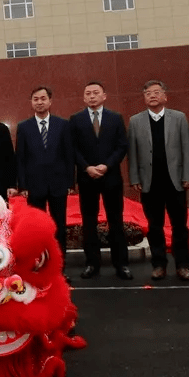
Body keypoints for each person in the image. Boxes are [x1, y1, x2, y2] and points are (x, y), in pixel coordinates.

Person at [127, 80, 189, 281]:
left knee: (180, 226)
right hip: (150, 183)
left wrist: (188, 175)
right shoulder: (135, 121)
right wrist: (134, 178)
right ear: (144, 97)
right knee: (154, 226)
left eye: (156, 92)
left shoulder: (179, 118)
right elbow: (133, 153)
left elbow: (187, 148)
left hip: (175, 181)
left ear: (165, 96)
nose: (152, 96)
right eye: (148, 93)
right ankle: (158, 265)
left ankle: (183, 265)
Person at [70, 82, 132, 280]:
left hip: (111, 177)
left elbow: (122, 146)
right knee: (89, 223)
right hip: (87, 178)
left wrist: (107, 165)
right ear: (83, 97)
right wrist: (86, 167)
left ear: (104, 96)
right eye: (88, 93)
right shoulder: (76, 119)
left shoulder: (115, 118)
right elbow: (72, 149)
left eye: (96, 93)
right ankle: (92, 264)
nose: (92, 96)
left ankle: (121, 264)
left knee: (116, 221)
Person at [15, 86, 75, 260]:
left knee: (59, 226)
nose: (39, 102)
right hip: (34, 185)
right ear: (31, 102)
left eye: (43, 98)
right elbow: (21, 157)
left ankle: (59, 264)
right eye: (35, 99)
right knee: (36, 226)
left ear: (50, 101)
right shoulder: (24, 127)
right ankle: (38, 261)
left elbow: (68, 155)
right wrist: (23, 185)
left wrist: (70, 182)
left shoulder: (62, 124)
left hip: (58, 184)